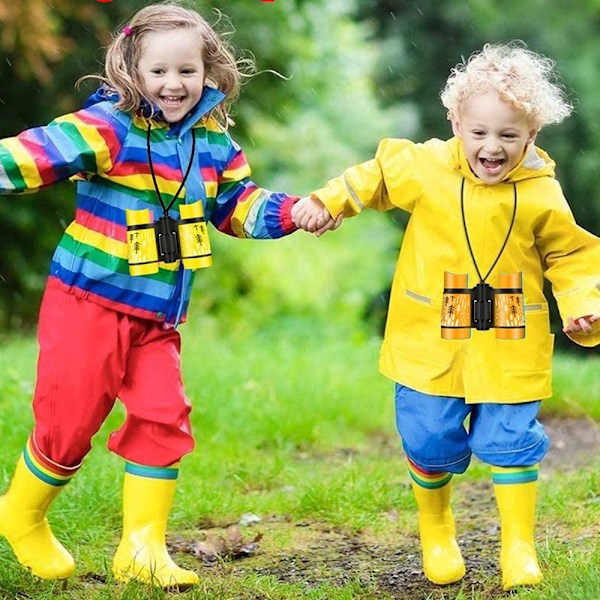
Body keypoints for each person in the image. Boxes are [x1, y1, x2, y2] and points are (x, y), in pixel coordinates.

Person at [0, 2, 299, 590]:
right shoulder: (108, 126)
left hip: (157, 315)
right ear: (132, 70)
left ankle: (141, 549)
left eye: (186, 70)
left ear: (208, 71)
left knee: (164, 416)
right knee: (68, 426)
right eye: (158, 71)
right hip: (87, 302)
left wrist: (294, 212)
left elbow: (238, 206)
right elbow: (34, 155)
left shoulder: (212, 144)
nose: (173, 83)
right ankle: (21, 514)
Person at [292, 42, 600, 591]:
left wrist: (583, 306)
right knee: (429, 439)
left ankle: (518, 545)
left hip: (510, 339)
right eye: (478, 131)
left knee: (509, 438)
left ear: (532, 136)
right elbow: (378, 176)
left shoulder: (542, 192)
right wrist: (330, 200)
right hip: (429, 337)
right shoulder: (426, 167)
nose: (491, 146)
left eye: (509, 135)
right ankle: (437, 529)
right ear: (455, 122)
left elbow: (571, 255)